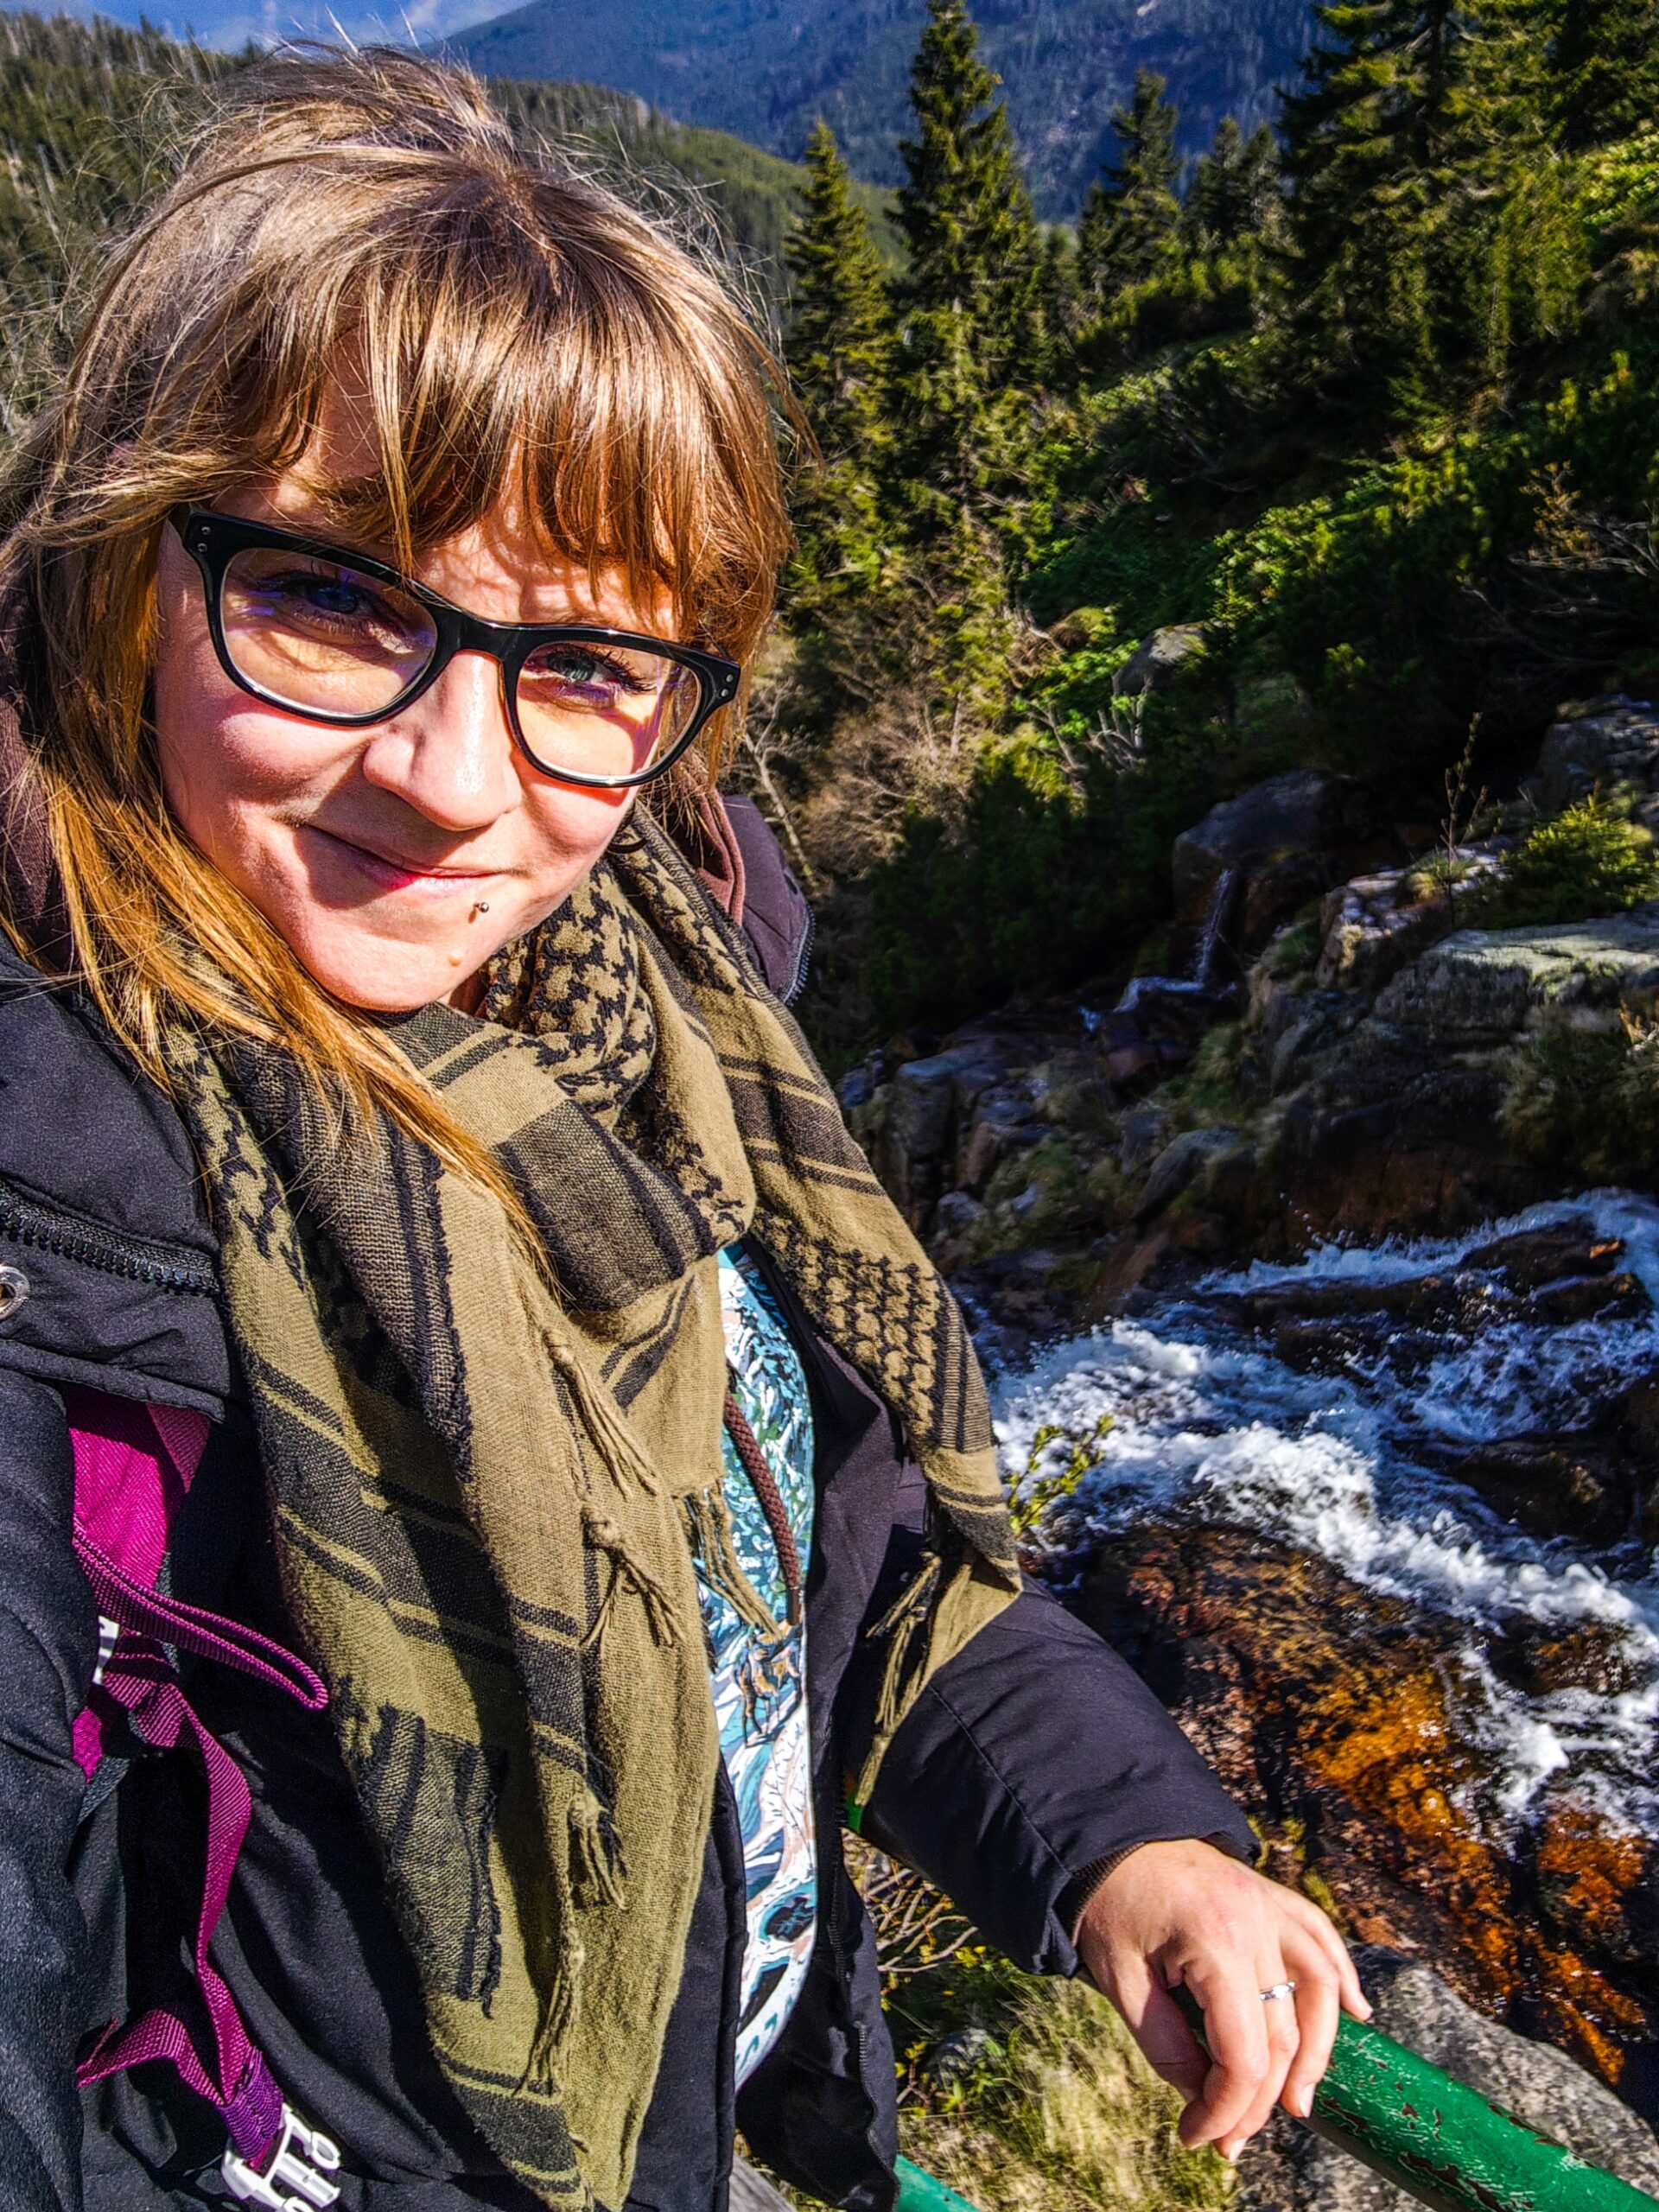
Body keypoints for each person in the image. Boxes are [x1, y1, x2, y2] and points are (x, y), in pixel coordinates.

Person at [0, 49, 1368, 2212]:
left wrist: (1123, 1828)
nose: (455, 778)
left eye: (586, 659)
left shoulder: (663, 1013)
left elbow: (823, 1544)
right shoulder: (56, 1222)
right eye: (332, 595)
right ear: (120, 560)